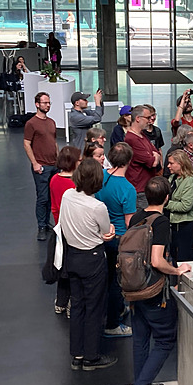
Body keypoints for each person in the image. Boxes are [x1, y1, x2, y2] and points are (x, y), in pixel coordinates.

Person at [127, 176, 192, 385]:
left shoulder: (136, 217)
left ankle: (142, 383)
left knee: (141, 338)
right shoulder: (161, 222)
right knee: (165, 339)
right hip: (153, 288)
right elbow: (156, 260)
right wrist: (176, 271)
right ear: (167, 197)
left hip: (134, 287)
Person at [59, 158, 117, 371]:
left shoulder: (67, 196)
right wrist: (109, 233)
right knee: (94, 308)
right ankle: (91, 357)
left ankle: (77, 354)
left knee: (78, 306)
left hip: (72, 257)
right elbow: (105, 232)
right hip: (92, 258)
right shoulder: (97, 206)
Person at [95, 143, 137, 338]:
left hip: (100, 236)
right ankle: (113, 323)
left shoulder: (101, 178)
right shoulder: (128, 189)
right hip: (119, 239)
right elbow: (130, 222)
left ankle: (113, 311)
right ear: (129, 161)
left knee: (106, 279)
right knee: (116, 282)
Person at [49, 145, 81, 318]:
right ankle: (72, 304)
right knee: (74, 268)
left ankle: (60, 301)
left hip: (59, 227)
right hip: (74, 229)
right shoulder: (75, 183)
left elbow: (54, 206)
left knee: (62, 266)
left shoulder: (54, 179)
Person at [23, 91, 59, 241]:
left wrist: (58, 159)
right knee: (43, 197)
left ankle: (47, 223)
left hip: (54, 165)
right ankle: (42, 227)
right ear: (37, 104)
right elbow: (26, 143)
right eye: (45, 103)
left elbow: (54, 142)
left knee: (51, 197)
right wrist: (35, 163)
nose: (48, 105)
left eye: (49, 102)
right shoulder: (31, 123)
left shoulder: (51, 122)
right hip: (41, 166)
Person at [125, 105, 162, 209]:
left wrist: (155, 155)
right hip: (139, 190)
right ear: (138, 118)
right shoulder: (132, 139)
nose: (150, 121)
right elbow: (152, 162)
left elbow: (156, 152)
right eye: (147, 118)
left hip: (147, 187)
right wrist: (154, 156)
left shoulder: (142, 135)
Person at [165, 149, 193, 262]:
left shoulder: (190, 181)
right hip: (174, 223)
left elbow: (185, 206)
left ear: (181, 164)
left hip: (185, 224)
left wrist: (165, 203)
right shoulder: (173, 178)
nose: (168, 166)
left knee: (184, 256)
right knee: (174, 254)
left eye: (171, 163)